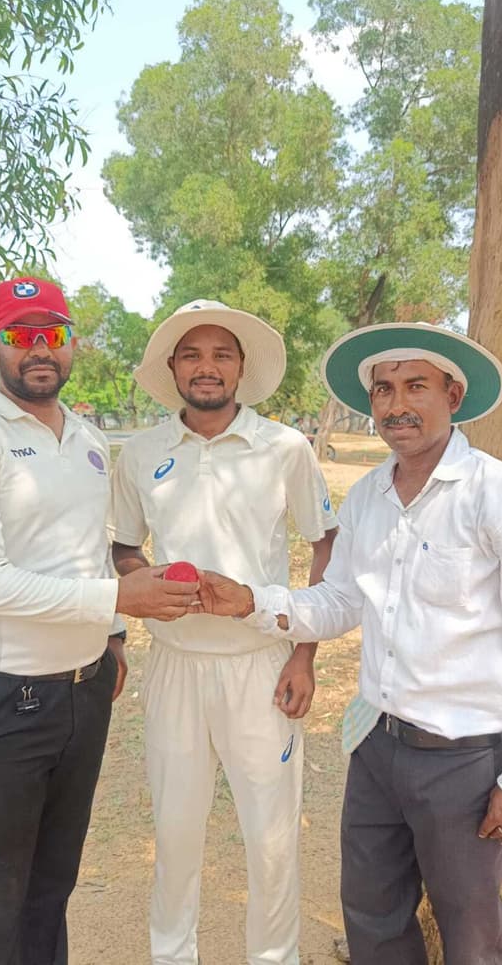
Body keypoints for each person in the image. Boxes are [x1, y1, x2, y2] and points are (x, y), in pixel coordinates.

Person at [195, 322, 502, 965]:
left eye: (416, 386)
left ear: (453, 395)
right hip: (376, 749)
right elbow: (341, 601)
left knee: (471, 938)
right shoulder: (368, 498)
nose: (396, 405)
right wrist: (251, 602)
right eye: (383, 389)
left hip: (464, 760)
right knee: (372, 919)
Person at [0, 276, 198, 965]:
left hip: (81, 692)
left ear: (72, 343)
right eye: (20, 334)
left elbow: (85, 545)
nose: (39, 348)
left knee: (50, 889)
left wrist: (113, 638)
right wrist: (116, 601)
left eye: (53, 333)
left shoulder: (88, 438)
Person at [110, 299, 338, 965]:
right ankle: (171, 955)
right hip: (175, 666)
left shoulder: (285, 448)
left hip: (259, 665)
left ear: (241, 367)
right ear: (173, 368)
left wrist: (303, 654)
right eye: (191, 354)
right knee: (175, 833)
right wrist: (148, 583)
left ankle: (274, 958)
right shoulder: (142, 452)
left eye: (220, 354)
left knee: (270, 839)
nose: (206, 367)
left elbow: (326, 543)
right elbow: (123, 546)